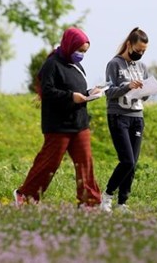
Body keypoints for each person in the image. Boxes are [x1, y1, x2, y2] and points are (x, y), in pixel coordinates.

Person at [13, 27, 102, 208]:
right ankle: (26, 195)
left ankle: (89, 202)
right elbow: (48, 91)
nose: (81, 55)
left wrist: (89, 93)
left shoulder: (76, 65)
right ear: (70, 45)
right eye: (80, 51)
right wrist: (71, 97)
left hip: (79, 123)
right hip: (58, 126)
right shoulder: (52, 64)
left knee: (85, 163)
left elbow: (77, 90)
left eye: (84, 52)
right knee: (49, 163)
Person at [100, 27, 150, 213]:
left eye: (144, 51)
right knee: (127, 160)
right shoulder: (114, 64)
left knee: (133, 163)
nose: (140, 54)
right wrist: (128, 86)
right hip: (118, 116)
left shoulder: (142, 67)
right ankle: (107, 195)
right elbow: (109, 92)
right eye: (138, 50)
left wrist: (146, 91)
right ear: (129, 44)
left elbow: (143, 97)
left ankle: (122, 203)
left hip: (137, 117)